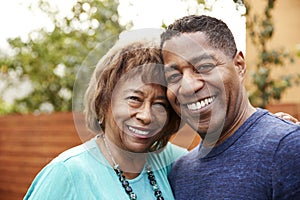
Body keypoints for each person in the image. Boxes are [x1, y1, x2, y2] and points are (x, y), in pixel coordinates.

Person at [24, 39, 187, 200]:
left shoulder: (173, 162)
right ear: (103, 102)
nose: (146, 116)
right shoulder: (67, 173)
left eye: (159, 105)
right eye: (134, 99)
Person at [160, 15, 300, 199]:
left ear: (239, 65)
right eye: (173, 76)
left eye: (203, 66)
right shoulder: (179, 172)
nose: (188, 87)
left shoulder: (287, 148)